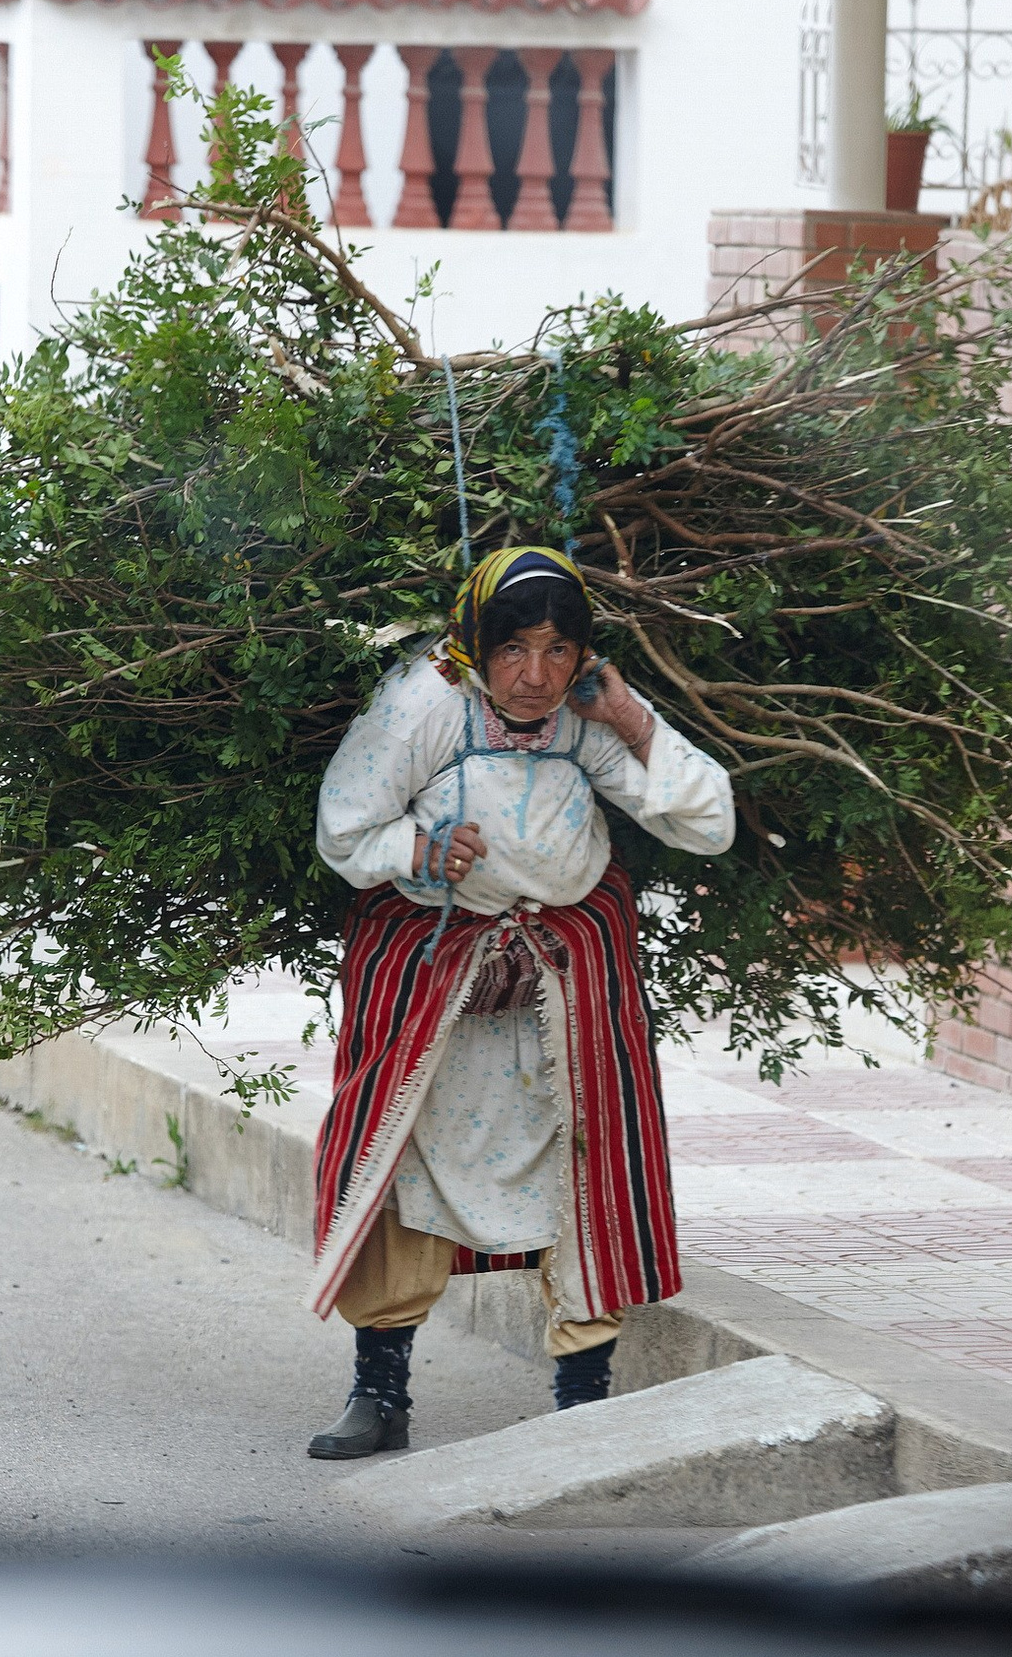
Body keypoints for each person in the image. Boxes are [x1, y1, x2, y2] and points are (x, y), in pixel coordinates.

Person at [305, 546, 736, 1459]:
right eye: (513, 650)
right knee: (404, 1157)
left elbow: (706, 822)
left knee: (586, 1167)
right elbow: (345, 826)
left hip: (564, 983)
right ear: (474, 641)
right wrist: (421, 854)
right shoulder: (422, 704)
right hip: (442, 980)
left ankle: (585, 1403)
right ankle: (379, 1394)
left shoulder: (586, 710)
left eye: (557, 649)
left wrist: (627, 714)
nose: (536, 675)